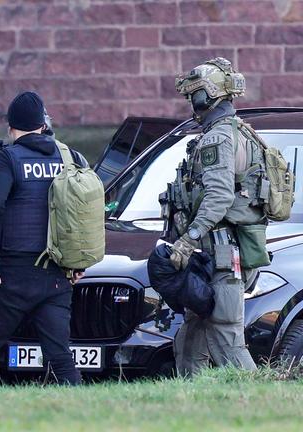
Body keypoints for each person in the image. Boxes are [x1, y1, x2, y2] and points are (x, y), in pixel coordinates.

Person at [0, 91, 87, 385]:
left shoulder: (9, 157)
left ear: (11, 126)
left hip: (15, 274)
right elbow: (86, 211)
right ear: (43, 125)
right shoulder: (71, 157)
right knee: (61, 358)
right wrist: (80, 261)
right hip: (57, 275)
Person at [169, 57, 262, 376]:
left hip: (221, 256)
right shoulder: (240, 133)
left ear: (207, 96)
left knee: (226, 338)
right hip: (215, 256)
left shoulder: (218, 138)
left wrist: (187, 239)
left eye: (194, 96)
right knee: (190, 340)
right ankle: (191, 407)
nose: (191, 104)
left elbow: (219, 195)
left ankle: (258, 401)